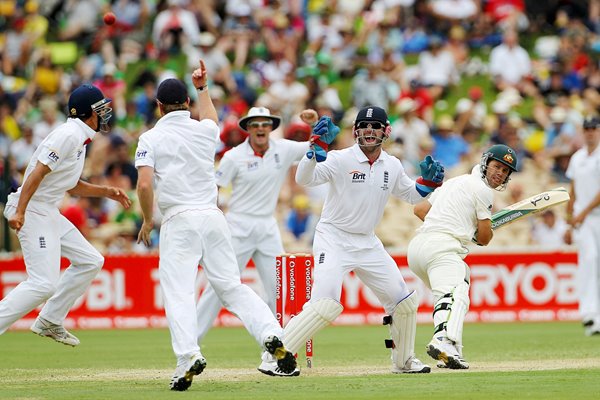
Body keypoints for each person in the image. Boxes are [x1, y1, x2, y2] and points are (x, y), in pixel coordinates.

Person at [134, 61, 296, 391]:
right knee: (231, 286)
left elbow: (144, 185)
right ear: (188, 104)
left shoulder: (150, 137)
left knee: (178, 291)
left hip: (179, 219)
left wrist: (148, 219)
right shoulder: (205, 130)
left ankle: (188, 356)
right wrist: (203, 86)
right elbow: (210, 117)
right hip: (213, 217)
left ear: (159, 107)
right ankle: (272, 333)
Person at [280, 106, 445, 376]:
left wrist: (427, 183)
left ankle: (403, 361)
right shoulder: (339, 158)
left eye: (376, 126)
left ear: (386, 131)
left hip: (368, 243)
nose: (370, 130)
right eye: (364, 126)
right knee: (326, 304)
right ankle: (276, 355)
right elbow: (304, 178)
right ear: (356, 131)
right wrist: (314, 151)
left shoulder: (391, 164)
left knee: (403, 302)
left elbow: (412, 195)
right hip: (333, 238)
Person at [0, 84, 132, 345]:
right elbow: (37, 171)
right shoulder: (69, 134)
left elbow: (69, 183)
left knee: (91, 261)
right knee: (43, 284)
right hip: (32, 210)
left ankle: (50, 320)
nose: (106, 113)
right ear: (88, 113)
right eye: (101, 108)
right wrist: (21, 211)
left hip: (47, 210)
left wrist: (106, 191)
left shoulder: (80, 138)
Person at [195, 107, 309, 346]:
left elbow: (317, 149)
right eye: (255, 124)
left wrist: (318, 123)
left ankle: (276, 348)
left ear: (271, 128)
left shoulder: (284, 149)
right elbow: (213, 190)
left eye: (265, 124)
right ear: (248, 128)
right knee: (219, 286)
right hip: (238, 226)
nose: (260, 129)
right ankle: (191, 343)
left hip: (267, 226)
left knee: (278, 290)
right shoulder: (234, 156)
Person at [407, 144, 519, 369]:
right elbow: (485, 238)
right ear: (486, 163)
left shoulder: (455, 181)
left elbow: (419, 210)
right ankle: (443, 340)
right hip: (443, 247)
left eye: (506, 171)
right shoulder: (483, 190)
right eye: (497, 166)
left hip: (418, 248)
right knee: (455, 293)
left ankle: (453, 350)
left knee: (457, 284)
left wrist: (453, 224)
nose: (500, 173)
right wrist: (478, 232)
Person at [564, 116, 600, 336]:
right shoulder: (577, 158)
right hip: (583, 220)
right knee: (589, 259)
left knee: (596, 262)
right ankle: (588, 314)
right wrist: (569, 220)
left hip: (595, 215)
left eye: (593, 128)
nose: (589, 132)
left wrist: (582, 213)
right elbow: (573, 189)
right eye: (586, 128)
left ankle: (596, 315)